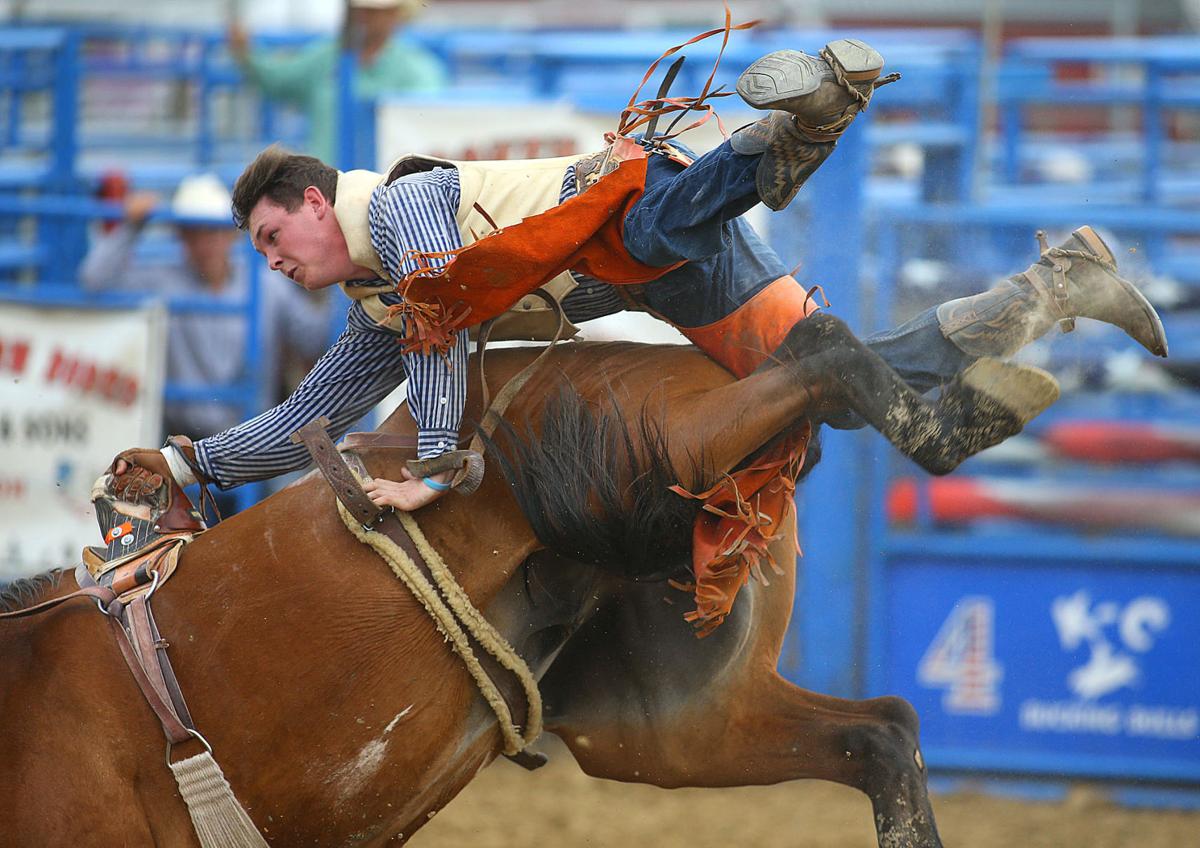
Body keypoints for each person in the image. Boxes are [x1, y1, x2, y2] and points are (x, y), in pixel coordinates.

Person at [109, 38, 1167, 518]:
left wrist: (437, 459)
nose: (269, 258)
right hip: (661, 265)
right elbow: (314, 407)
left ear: (308, 201)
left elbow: (437, 316)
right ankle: (1055, 285)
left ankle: (776, 139)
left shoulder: (397, 206)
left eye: (267, 234)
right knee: (839, 383)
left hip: (629, 222)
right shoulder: (378, 300)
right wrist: (193, 457)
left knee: (637, 234)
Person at [80, 173, 331, 453]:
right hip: (184, 441)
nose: (204, 242)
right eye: (194, 232)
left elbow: (314, 336)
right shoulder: (164, 281)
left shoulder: (266, 284)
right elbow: (94, 281)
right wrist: (131, 227)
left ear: (229, 235)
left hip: (256, 441)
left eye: (212, 231)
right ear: (182, 237)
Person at [228, 0, 447, 164]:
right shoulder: (327, 56)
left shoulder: (417, 69)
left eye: (373, 12)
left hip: (384, 191)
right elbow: (279, 79)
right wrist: (247, 54)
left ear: (396, 14)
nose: (364, 17)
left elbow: (426, 121)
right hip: (327, 188)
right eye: (359, 10)